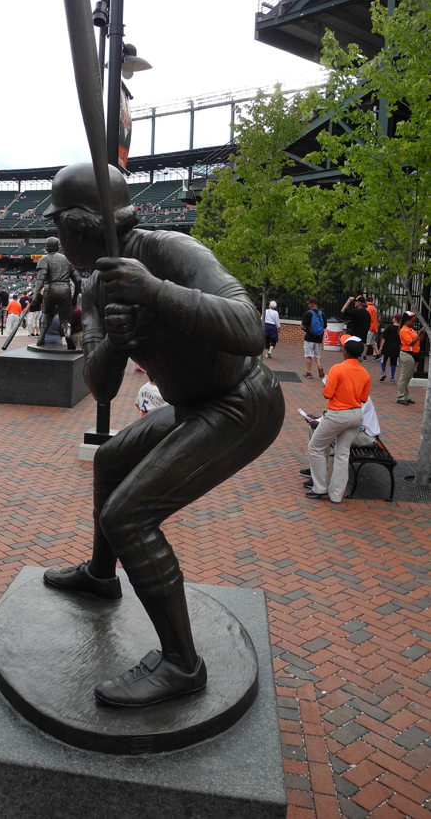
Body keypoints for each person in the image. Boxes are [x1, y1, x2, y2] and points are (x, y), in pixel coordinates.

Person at [41, 162, 284, 706]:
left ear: (79, 229)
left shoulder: (168, 250)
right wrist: (117, 345)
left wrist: (154, 292)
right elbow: (99, 388)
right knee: (109, 461)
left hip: (242, 402)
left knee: (128, 515)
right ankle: (103, 576)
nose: (56, 238)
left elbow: (249, 330)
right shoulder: (95, 285)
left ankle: (181, 663)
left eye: (60, 228)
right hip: (191, 405)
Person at [306, 336, 370, 503]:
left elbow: (327, 393)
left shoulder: (337, 369)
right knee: (342, 454)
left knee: (315, 447)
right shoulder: (364, 373)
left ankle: (320, 487)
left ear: (345, 352)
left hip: (337, 414)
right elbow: (363, 398)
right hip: (356, 415)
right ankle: (335, 495)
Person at [32, 236, 82, 349]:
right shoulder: (67, 260)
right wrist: (74, 298)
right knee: (65, 319)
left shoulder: (44, 259)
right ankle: (67, 333)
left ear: (46, 248)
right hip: (65, 289)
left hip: (50, 288)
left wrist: (35, 295)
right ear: (58, 247)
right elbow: (78, 280)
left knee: (47, 314)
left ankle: (41, 337)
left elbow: (41, 279)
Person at [397, 311, 424, 406]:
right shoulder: (403, 330)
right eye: (412, 321)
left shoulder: (411, 330)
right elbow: (411, 342)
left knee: (408, 377)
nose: (413, 323)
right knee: (404, 377)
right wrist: (419, 333)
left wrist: (421, 334)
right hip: (407, 354)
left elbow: (419, 340)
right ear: (406, 320)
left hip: (412, 355)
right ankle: (400, 396)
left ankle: (406, 396)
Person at [301, 297, 324, 378]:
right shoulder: (322, 314)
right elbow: (325, 327)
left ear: (312, 304)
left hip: (309, 338)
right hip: (319, 338)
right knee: (317, 355)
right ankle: (319, 366)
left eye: (309, 303)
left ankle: (309, 372)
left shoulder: (307, 314)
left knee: (308, 355)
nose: (308, 305)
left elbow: (302, 326)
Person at [380, 314, 401, 384]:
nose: (393, 319)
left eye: (393, 318)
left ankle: (383, 372)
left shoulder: (389, 327)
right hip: (396, 348)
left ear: (395, 319)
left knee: (383, 361)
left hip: (387, 346)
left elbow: (384, 338)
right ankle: (392, 378)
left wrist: (381, 347)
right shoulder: (400, 329)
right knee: (393, 363)